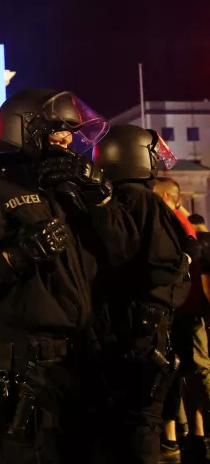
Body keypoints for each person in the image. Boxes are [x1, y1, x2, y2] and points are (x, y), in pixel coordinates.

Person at [0, 88, 116, 463]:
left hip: (79, 359)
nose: (68, 139)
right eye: (57, 130)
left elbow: (117, 257)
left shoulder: (67, 195)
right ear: (25, 130)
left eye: (71, 131)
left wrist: (100, 198)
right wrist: (18, 255)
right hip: (23, 365)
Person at [84, 125, 195, 463]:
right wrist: (186, 259)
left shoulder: (109, 200)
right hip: (143, 329)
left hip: (111, 326)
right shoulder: (143, 200)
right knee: (142, 424)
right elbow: (165, 266)